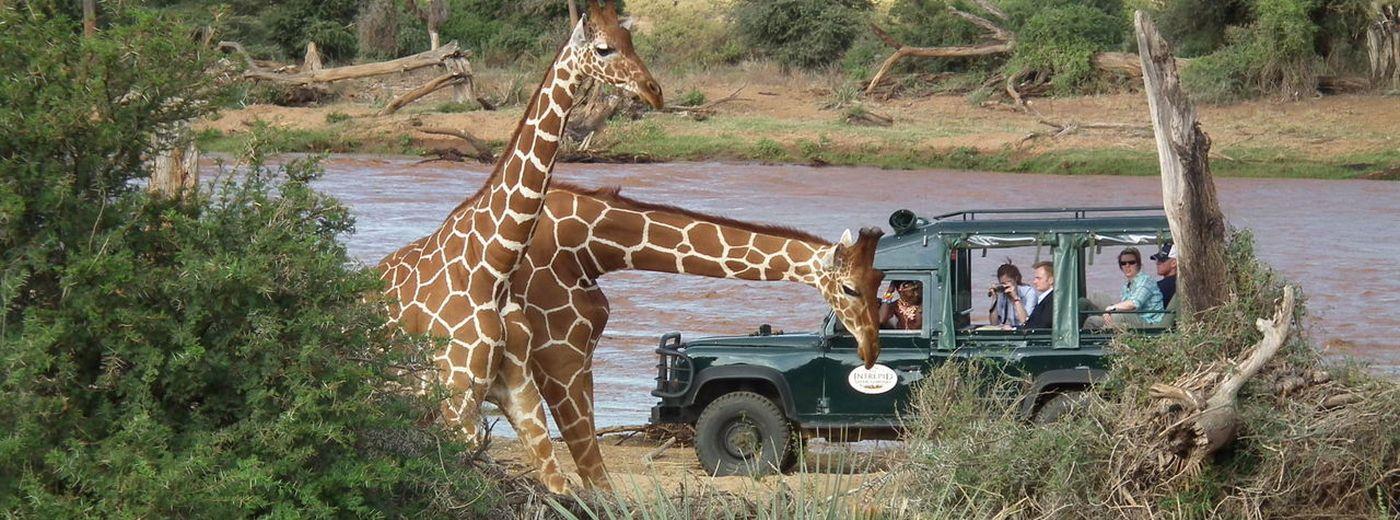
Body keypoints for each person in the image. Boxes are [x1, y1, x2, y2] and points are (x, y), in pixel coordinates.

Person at [1102, 247, 1164, 327]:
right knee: (1093, 320)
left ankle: (1109, 335)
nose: (1127, 265)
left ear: (1138, 264)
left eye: (1131, 262)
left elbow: (1134, 304)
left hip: (1150, 323)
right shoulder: (1127, 285)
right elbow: (1123, 305)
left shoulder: (1145, 280)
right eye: (1123, 263)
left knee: (1117, 316)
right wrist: (1109, 312)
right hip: (1134, 318)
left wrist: (1111, 308)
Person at [987, 262, 1037, 328]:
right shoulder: (1001, 293)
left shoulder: (1029, 293)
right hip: (1006, 330)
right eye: (1003, 283)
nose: (1006, 286)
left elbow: (1026, 323)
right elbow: (994, 323)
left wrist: (1015, 298)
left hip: (1023, 331)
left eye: (1008, 282)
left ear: (1016, 279)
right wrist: (994, 299)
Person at [1018, 261, 1055, 330]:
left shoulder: (1052, 300)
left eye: (1038, 278)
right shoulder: (1046, 299)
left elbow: (1042, 326)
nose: (1034, 282)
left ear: (1051, 280)